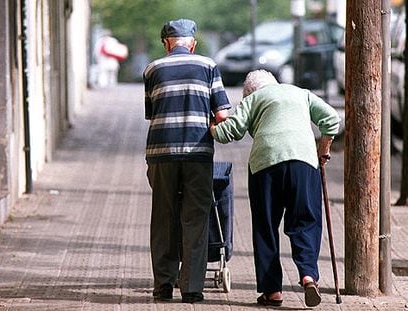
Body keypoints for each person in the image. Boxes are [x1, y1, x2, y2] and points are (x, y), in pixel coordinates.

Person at [210, 70, 340, 308]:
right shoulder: (301, 93)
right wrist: (324, 147)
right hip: (304, 163)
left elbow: (231, 132)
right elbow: (331, 119)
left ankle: (272, 292)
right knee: (306, 221)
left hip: (265, 164)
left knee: (265, 226)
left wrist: (212, 128)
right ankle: (308, 275)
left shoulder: (253, 99)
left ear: (249, 91)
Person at [143, 18, 231, 304]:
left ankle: (163, 287)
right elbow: (222, 116)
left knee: (163, 218)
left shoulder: (152, 69)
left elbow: (152, 111)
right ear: (192, 43)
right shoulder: (208, 67)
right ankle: (192, 288)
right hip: (197, 155)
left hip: (161, 154)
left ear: (167, 43)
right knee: (196, 217)